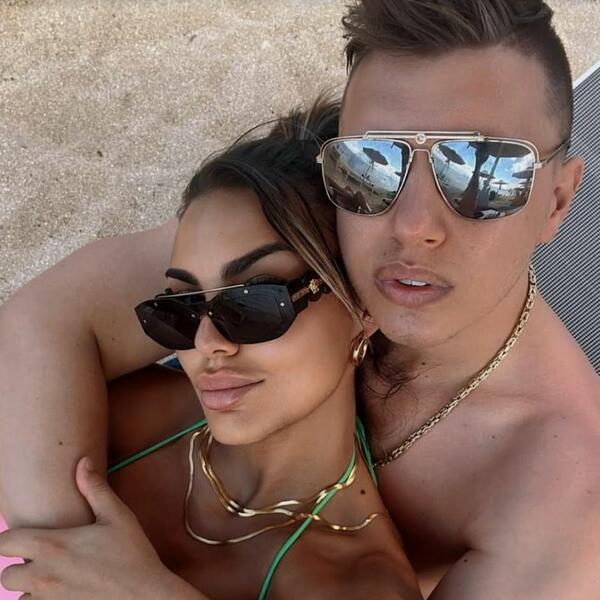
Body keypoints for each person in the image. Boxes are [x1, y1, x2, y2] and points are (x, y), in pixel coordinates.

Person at [0, 0, 599, 598]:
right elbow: (43, 320)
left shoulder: (565, 504)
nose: (412, 225)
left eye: (482, 172)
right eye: (373, 161)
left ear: (556, 200)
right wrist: (66, 556)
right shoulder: (328, 210)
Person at [0, 100, 421, 599]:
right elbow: (34, 322)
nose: (206, 343)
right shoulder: (115, 410)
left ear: (365, 305)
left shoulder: (358, 581)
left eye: (254, 303)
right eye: (182, 307)